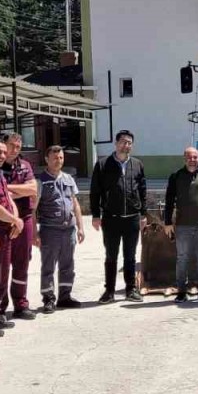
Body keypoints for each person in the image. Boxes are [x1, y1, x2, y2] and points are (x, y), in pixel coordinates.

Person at [90, 130, 148, 303]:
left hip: (131, 218)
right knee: (111, 256)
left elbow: (143, 190)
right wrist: (95, 215)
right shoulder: (102, 165)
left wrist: (143, 214)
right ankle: (109, 291)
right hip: (111, 218)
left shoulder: (137, 164)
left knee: (130, 256)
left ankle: (131, 289)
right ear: (116, 143)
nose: (126, 145)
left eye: (129, 142)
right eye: (123, 142)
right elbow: (95, 192)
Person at [163, 147, 198, 302]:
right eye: (189, 157)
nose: (192, 160)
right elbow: (169, 200)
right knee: (182, 258)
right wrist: (167, 222)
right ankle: (181, 291)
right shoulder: (176, 177)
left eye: (195, 157)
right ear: (184, 158)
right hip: (182, 225)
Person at [35, 146, 85, 311]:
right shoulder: (40, 180)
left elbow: (75, 203)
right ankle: (48, 298)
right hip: (50, 230)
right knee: (48, 266)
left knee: (68, 264)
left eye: (61, 158)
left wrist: (80, 227)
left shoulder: (68, 178)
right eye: (55, 158)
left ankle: (65, 296)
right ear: (47, 159)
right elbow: (33, 207)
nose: (58, 161)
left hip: (68, 230)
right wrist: (34, 232)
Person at [0, 139, 25, 333]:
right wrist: (14, 220)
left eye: (3, 152)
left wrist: (16, 219)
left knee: (2, 275)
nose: (2, 156)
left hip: (7, 231)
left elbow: (8, 200)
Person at [1, 132, 39, 320]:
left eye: (18, 146)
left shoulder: (25, 166)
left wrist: (4, 190)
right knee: (0, 266)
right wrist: (18, 191)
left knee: (22, 264)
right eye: (11, 145)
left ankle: (20, 303)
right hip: (1, 222)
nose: (15, 150)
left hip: (24, 219)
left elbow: (32, 189)